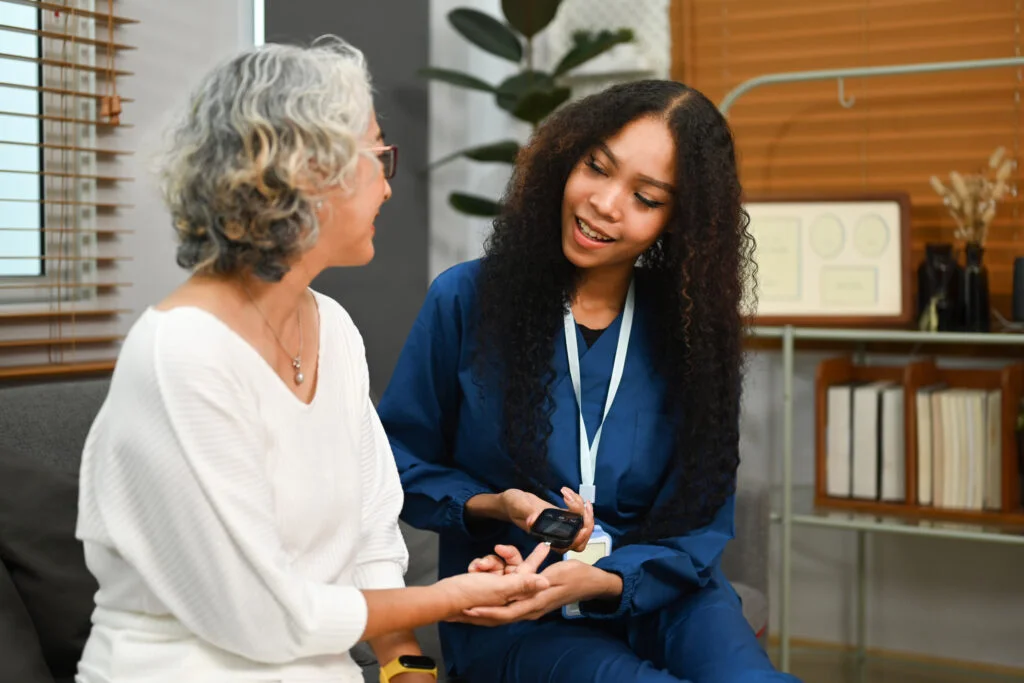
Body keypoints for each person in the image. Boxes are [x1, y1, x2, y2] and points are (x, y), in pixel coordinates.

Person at [73, 38, 549, 683]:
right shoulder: (182, 354)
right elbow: (263, 616)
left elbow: (372, 537)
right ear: (303, 171)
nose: (387, 184)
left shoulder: (332, 326)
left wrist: (406, 668)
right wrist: (455, 596)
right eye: (378, 155)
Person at [377, 80, 802, 682]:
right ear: (566, 159)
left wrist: (608, 578)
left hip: (661, 590)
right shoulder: (466, 299)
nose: (605, 203)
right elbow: (399, 464)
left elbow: (703, 518)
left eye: (645, 197)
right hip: (518, 601)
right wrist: (496, 503)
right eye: (596, 167)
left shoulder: (689, 330)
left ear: (678, 222)